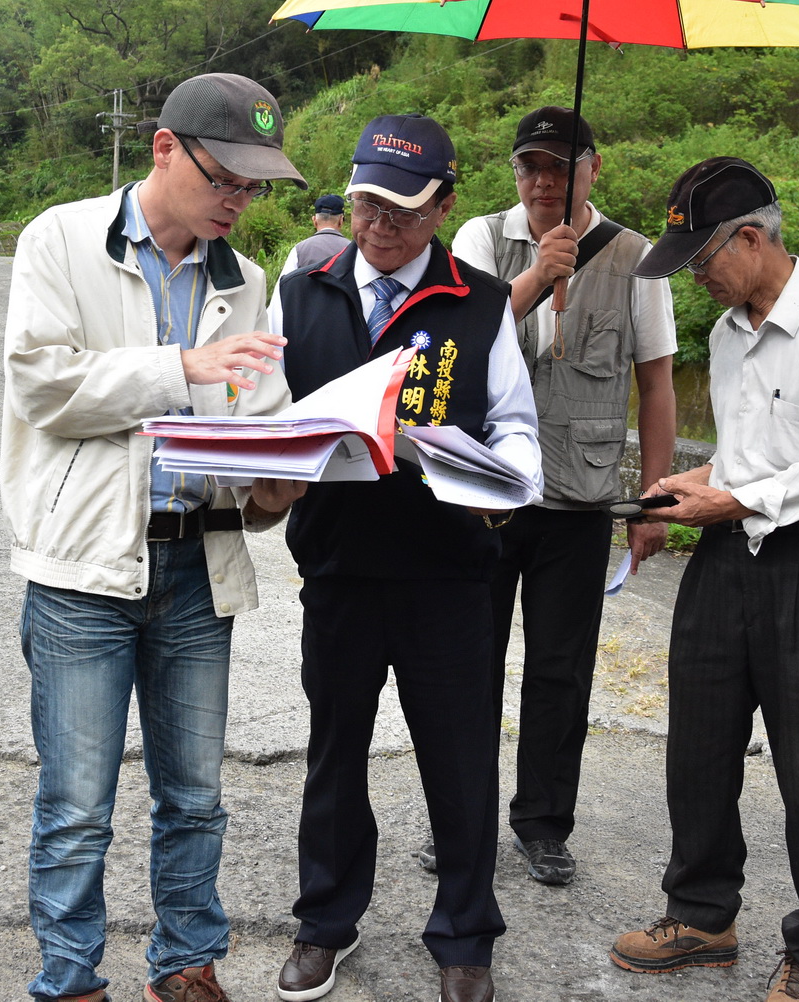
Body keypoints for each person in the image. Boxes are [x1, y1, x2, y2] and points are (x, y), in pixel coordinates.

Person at [1, 72, 307, 1002]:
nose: (240, 204)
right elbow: (44, 386)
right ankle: (70, 979)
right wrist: (181, 368)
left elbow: (258, 411)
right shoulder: (61, 240)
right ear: (164, 149)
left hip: (196, 565)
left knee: (195, 800)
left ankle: (187, 966)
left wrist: (283, 475)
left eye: (256, 189)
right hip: (86, 567)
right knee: (78, 807)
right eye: (227, 179)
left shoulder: (247, 281)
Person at [266, 113, 542, 1002]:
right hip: (340, 566)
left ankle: (464, 934)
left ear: (445, 207)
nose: (380, 224)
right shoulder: (301, 289)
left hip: (448, 572)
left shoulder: (481, 301)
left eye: (403, 209)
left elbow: (517, 428)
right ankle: (325, 923)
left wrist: (501, 483)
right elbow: (266, 411)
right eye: (367, 202)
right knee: (335, 750)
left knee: (459, 757)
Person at [608, 157, 799, 1002]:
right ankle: (701, 912)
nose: (698, 278)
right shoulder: (728, 333)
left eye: (704, 260)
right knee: (698, 745)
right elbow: (744, 457)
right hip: (726, 558)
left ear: (750, 237)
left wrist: (731, 495)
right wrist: (696, 489)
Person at [444, 106, 677, 885]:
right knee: (467, 665)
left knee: (560, 671)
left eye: (560, 165)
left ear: (592, 169)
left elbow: (657, 382)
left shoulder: (638, 257)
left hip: (580, 499)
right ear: (514, 173)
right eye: (530, 166)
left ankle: (544, 824)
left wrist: (654, 499)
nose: (544, 181)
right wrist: (540, 274)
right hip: (486, 494)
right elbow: (463, 340)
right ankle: (461, 822)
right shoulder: (480, 239)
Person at [278, 193, 348, 276]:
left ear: (314, 220)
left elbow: (282, 286)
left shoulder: (299, 250)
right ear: (341, 220)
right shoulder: (354, 250)